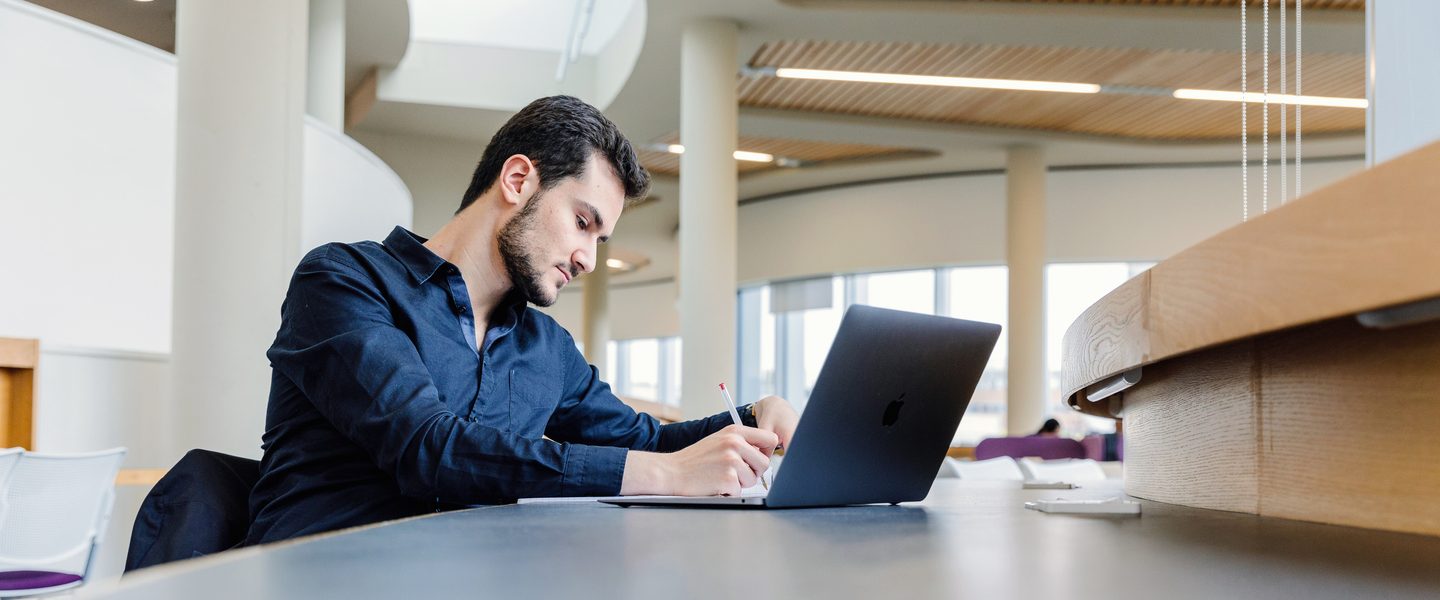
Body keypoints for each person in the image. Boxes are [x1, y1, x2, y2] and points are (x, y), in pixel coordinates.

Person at [245, 95, 799, 545]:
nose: (588, 258)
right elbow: (425, 447)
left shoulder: (546, 349)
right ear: (517, 181)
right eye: (583, 222)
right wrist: (666, 476)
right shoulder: (344, 279)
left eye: (600, 239)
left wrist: (753, 419)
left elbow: (646, 440)